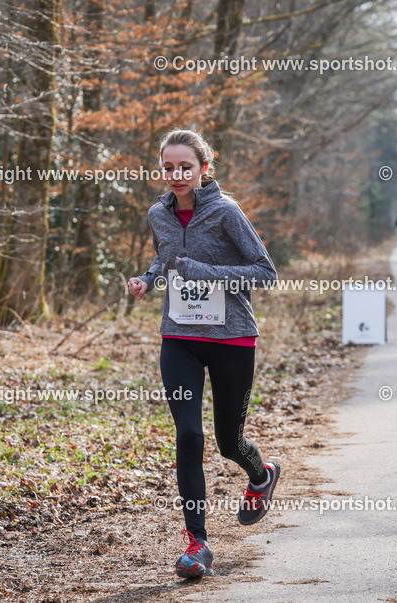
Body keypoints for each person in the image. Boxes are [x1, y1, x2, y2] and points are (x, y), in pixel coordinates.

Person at [127, 129, 282, 580]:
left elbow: (264, 272)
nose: (176, 175)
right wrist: (148, 279)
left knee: (227, 441)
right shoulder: (159, 213)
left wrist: (206, 273)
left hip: (232, 338)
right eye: (168, 167)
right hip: (180, 338)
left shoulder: (226, 212)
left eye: (185, 167)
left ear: (203, 170)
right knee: (188, 437)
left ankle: (261, 476)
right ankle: (198, 543)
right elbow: (166, 257)